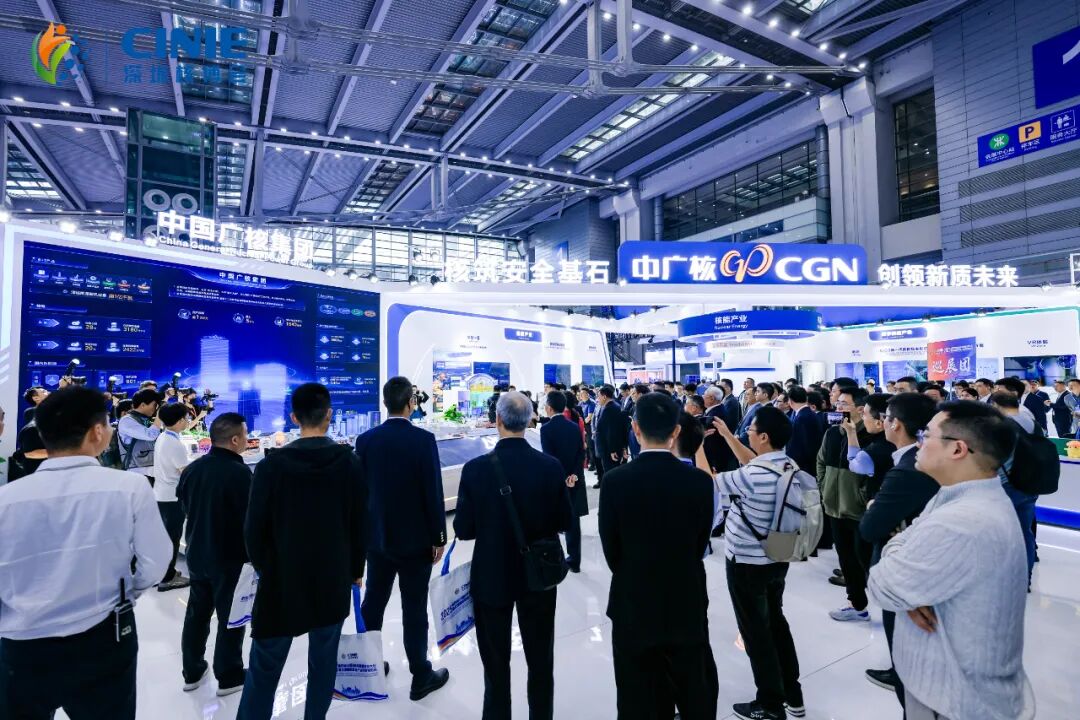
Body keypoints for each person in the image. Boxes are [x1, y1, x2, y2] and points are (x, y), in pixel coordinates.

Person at [0, 387, 172, 720]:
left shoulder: (6, 500)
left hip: (22, 647)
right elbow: (155, 561)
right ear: (97, 432)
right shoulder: (129, 488)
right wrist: (127, 593)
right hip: (103, 636)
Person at [868, 402, 1035, 720]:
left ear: (958, 449)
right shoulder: (958, 496)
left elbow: (881, 584)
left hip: (951, 699)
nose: (919, 442)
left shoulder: (961, 521)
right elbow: (903, 549)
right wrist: (908, 581)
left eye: (927, 435)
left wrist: (902, 576)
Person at [238, 383, 368, 720]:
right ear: (329, 415)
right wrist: (355, 569)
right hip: (332, 578)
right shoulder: (349, 463)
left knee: (264, 668)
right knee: (324, 663)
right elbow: (359, 524)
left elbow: (253, 530)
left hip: (281, 581)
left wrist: (266, 568)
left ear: (294, 417)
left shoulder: (271, 466)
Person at [600, 393, 718, 719]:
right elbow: (700, 542)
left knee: (636, 694)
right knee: (693, 686)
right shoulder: (700, 482)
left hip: (633, 599)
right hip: (686, 596)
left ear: (635, 428)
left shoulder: (615, 481)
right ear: (676, 431)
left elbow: (612, 550)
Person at [454, 392, 572, 720]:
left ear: (498, 420)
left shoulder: (476, 469)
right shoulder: (550, 466)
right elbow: (564, 520)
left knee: (495, 663)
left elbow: (464, 529)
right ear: (530, 420)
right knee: (540, 658)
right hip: (539, 575)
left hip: (492, 575)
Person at [355, 376, 450, 700]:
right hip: (416, 541)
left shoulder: (366, 441)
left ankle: (369, 665)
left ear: (385, 403)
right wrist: (439, 536)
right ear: (412, 403)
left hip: (377, 539)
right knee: (414, 606)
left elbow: (360, 494)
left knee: (373, 602)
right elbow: (432, 492)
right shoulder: (423, 440)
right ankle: (420, 675)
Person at [710, 406, 807, 720]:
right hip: (778, 555)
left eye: (750, 430)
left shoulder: (751, 476)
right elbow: (751, 461)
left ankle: (769, 703)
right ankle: (793, 694)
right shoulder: (787, 465)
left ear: (763, 437)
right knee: (776, 622)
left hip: (746, 563)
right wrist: (727, 436)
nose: (747, 434)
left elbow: (708, 482)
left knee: (756, 633)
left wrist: (697, 447)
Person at [858, 392, 939, 701]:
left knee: (907, 656)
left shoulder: (908, 469)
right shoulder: (917, 460)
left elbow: (870, 527)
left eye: (886, 417)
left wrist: (874, 506)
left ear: (896, 424)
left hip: (905, 573)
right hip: (918, 569)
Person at [177, 413, 252, 696]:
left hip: (198, 552)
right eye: (245, 435)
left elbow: (185, 505)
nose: (247, 439)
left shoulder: (193, 470)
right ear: (234, 440)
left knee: (197, 614)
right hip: (229, 556)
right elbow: (250, 518)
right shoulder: (240, 473)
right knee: (230, 617)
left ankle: (192, 671)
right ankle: (229, 675)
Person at [818, 387, 874, 621]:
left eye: (844, 404)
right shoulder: (832, 433)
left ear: (860, 409)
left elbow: (871, 474)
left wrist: (862, 496)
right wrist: (824, 487)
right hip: (834, 505)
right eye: (837, 403)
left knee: (866, 559)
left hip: (859, 509)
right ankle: (857, 604)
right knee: (846, 559)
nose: (838, 407)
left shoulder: (871, 435)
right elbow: (821, 461)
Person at [541, 391, 587, 574]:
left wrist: (561, 478)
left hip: (556, 481)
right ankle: (575, 560)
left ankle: (555, 559)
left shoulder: (546, 429)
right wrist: (573, 475)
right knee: (573, 520)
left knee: (552, 519)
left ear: (549, 408)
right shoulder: (574, 426)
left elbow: (549, 458)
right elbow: (581, 452)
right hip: (573, 479)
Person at [152, 402, 193, 591]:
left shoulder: (164, 437)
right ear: (179, 421)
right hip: (172, 497)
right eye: (186, 418)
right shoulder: (174, 444)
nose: (187, 421)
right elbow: (185, 472)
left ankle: (165, 572)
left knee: (166, 536)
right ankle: (167, 578)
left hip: (162, 494)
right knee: (172, 538)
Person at [843, 393, 897, 502]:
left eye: (864, 414)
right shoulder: (910, 445)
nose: (862, 418)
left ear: (879, 423)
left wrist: (851, 432)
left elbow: (853, 464)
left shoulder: (871, 453)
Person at [117, 388, 163, 483]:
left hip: (149, 469)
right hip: (136, 472)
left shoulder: (144, 419)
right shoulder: (127, 420)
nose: (155, 408)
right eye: (154, 405)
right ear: (142, 405)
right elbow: (151, 435)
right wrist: (159, 416)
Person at [594, 384, 628, 489]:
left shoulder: (610, 409)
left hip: (609, 449)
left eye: (598, 396)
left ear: (604, 396)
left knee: (611, 473)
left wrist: (613, 450)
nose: (597, 399)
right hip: (609, 447)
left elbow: (612, 431)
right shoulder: (612, 406)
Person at [784, 386, 823, 477]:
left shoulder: (803, 417)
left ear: (790, 401)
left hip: (805, 468)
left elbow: (804, 445)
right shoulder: (807, 413)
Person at [702, 386, 736, 473]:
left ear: (712, 399)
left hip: (716, 460)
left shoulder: (715, 415)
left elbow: (711, 441)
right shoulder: (718, 409)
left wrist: (712, 464)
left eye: (704, 395)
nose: (702, 397)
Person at [577, 387, 598, 470]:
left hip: (588, 426)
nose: (581, 395)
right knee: (584, 445)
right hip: (582, 425)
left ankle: (593, 464)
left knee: (590, 445)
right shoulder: (580, 403)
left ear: (587, 394)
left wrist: (581, 422)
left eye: (583, 393)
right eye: (580, 394)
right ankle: (587, 461)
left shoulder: (591, 403)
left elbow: (589, 417)